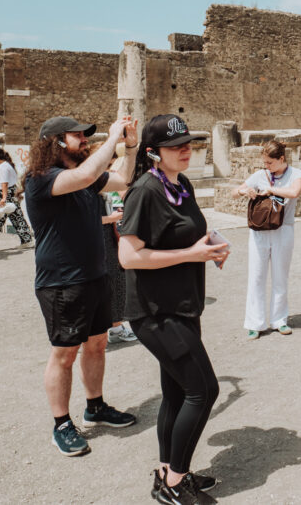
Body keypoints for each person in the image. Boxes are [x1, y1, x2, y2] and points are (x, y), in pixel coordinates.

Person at [119, 113, 228, 504]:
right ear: (152, 153)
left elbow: (185, 233)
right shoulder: (144, 191)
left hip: (183, 306)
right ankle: (176, 482)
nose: (186, 150)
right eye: (176, 146)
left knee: (177, 393)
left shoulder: (180, 185)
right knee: (203, 390)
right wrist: (191, 253)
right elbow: (128, 257)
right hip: (155, 312)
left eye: (189, 143)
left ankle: (167, 470)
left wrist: (210, 244)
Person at [24, 115, 139, 457]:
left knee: (97, 344)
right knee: (64, 354)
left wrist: (129, 147)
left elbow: (122, 179)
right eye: (77, 136)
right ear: (54, 141)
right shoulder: (41, 178)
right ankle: (61, 423)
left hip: (94, 276)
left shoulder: (83, 176)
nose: (84, 140)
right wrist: (113, 137)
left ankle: (96, 406)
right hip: (62, 282)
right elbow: (88, 174)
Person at [234, 140, 301, 340]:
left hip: (284, 229)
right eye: (264, 162)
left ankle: (279, 320)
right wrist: (243, 191)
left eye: (270, 163)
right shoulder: (259, 175)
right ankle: (255, 322)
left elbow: (294, 192)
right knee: (256, 276)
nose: (266, 167)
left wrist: (271, 190)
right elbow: (234, 191)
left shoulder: (296, 174)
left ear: (281, 159)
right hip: (260, 231)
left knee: (280, 276)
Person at [100, 152, 135, 344]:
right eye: (108, 165)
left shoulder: (103, 185)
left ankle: (116, 327)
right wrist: (110, 219)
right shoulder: (90, 186)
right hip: (101, 239)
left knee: (117, 281)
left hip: (109, 237)